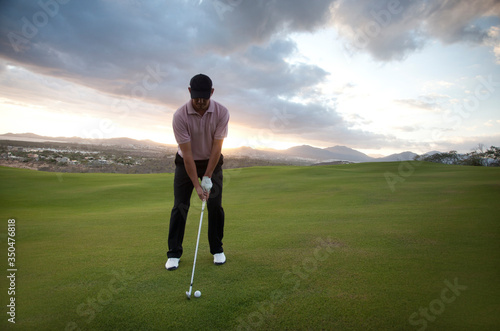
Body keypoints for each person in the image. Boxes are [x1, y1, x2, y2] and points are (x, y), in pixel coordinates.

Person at [165, 74, 229, 271]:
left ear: (211, 93)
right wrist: (196, 185)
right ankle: (174, 253)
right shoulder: (180, 116)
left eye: (204, 98)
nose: (200, 103)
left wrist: (208, 178)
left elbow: (217, 148)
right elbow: (187, 154)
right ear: (190, 92)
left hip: (212, 161)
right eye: (196, 98)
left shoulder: (222, 112)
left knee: (215, 206)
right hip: (187, 162)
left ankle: (217, 249)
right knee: (180, 206)